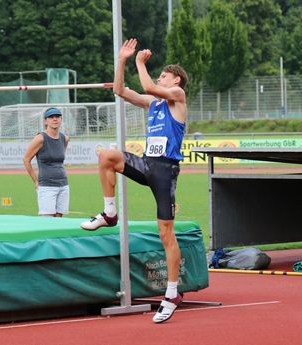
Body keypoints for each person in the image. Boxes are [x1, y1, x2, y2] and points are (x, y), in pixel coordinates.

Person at [80, 38, 188, 324]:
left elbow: (150, 86)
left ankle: (172, 292)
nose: (161, 77)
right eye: (161, 74)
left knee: (166, 233)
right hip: (147, 164)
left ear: (175, 79)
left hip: (165, 171)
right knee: (107, 157)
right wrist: (122, 60)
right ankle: (109, 212)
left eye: (164, 74)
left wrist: (141, 63)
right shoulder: (153, 103)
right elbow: (119, 90)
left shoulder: (176, 95)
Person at [23, 107, 70, 217]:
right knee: (47, 221)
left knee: (59, 219)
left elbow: (59, 160)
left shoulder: (65, 138)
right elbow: (26, 159)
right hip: (47, 185)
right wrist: (35, 181)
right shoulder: (40, 138)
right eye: (51, 117)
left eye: (57, 117)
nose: (55, 119)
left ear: (61, 119)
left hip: (63, 185)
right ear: (45, 121)